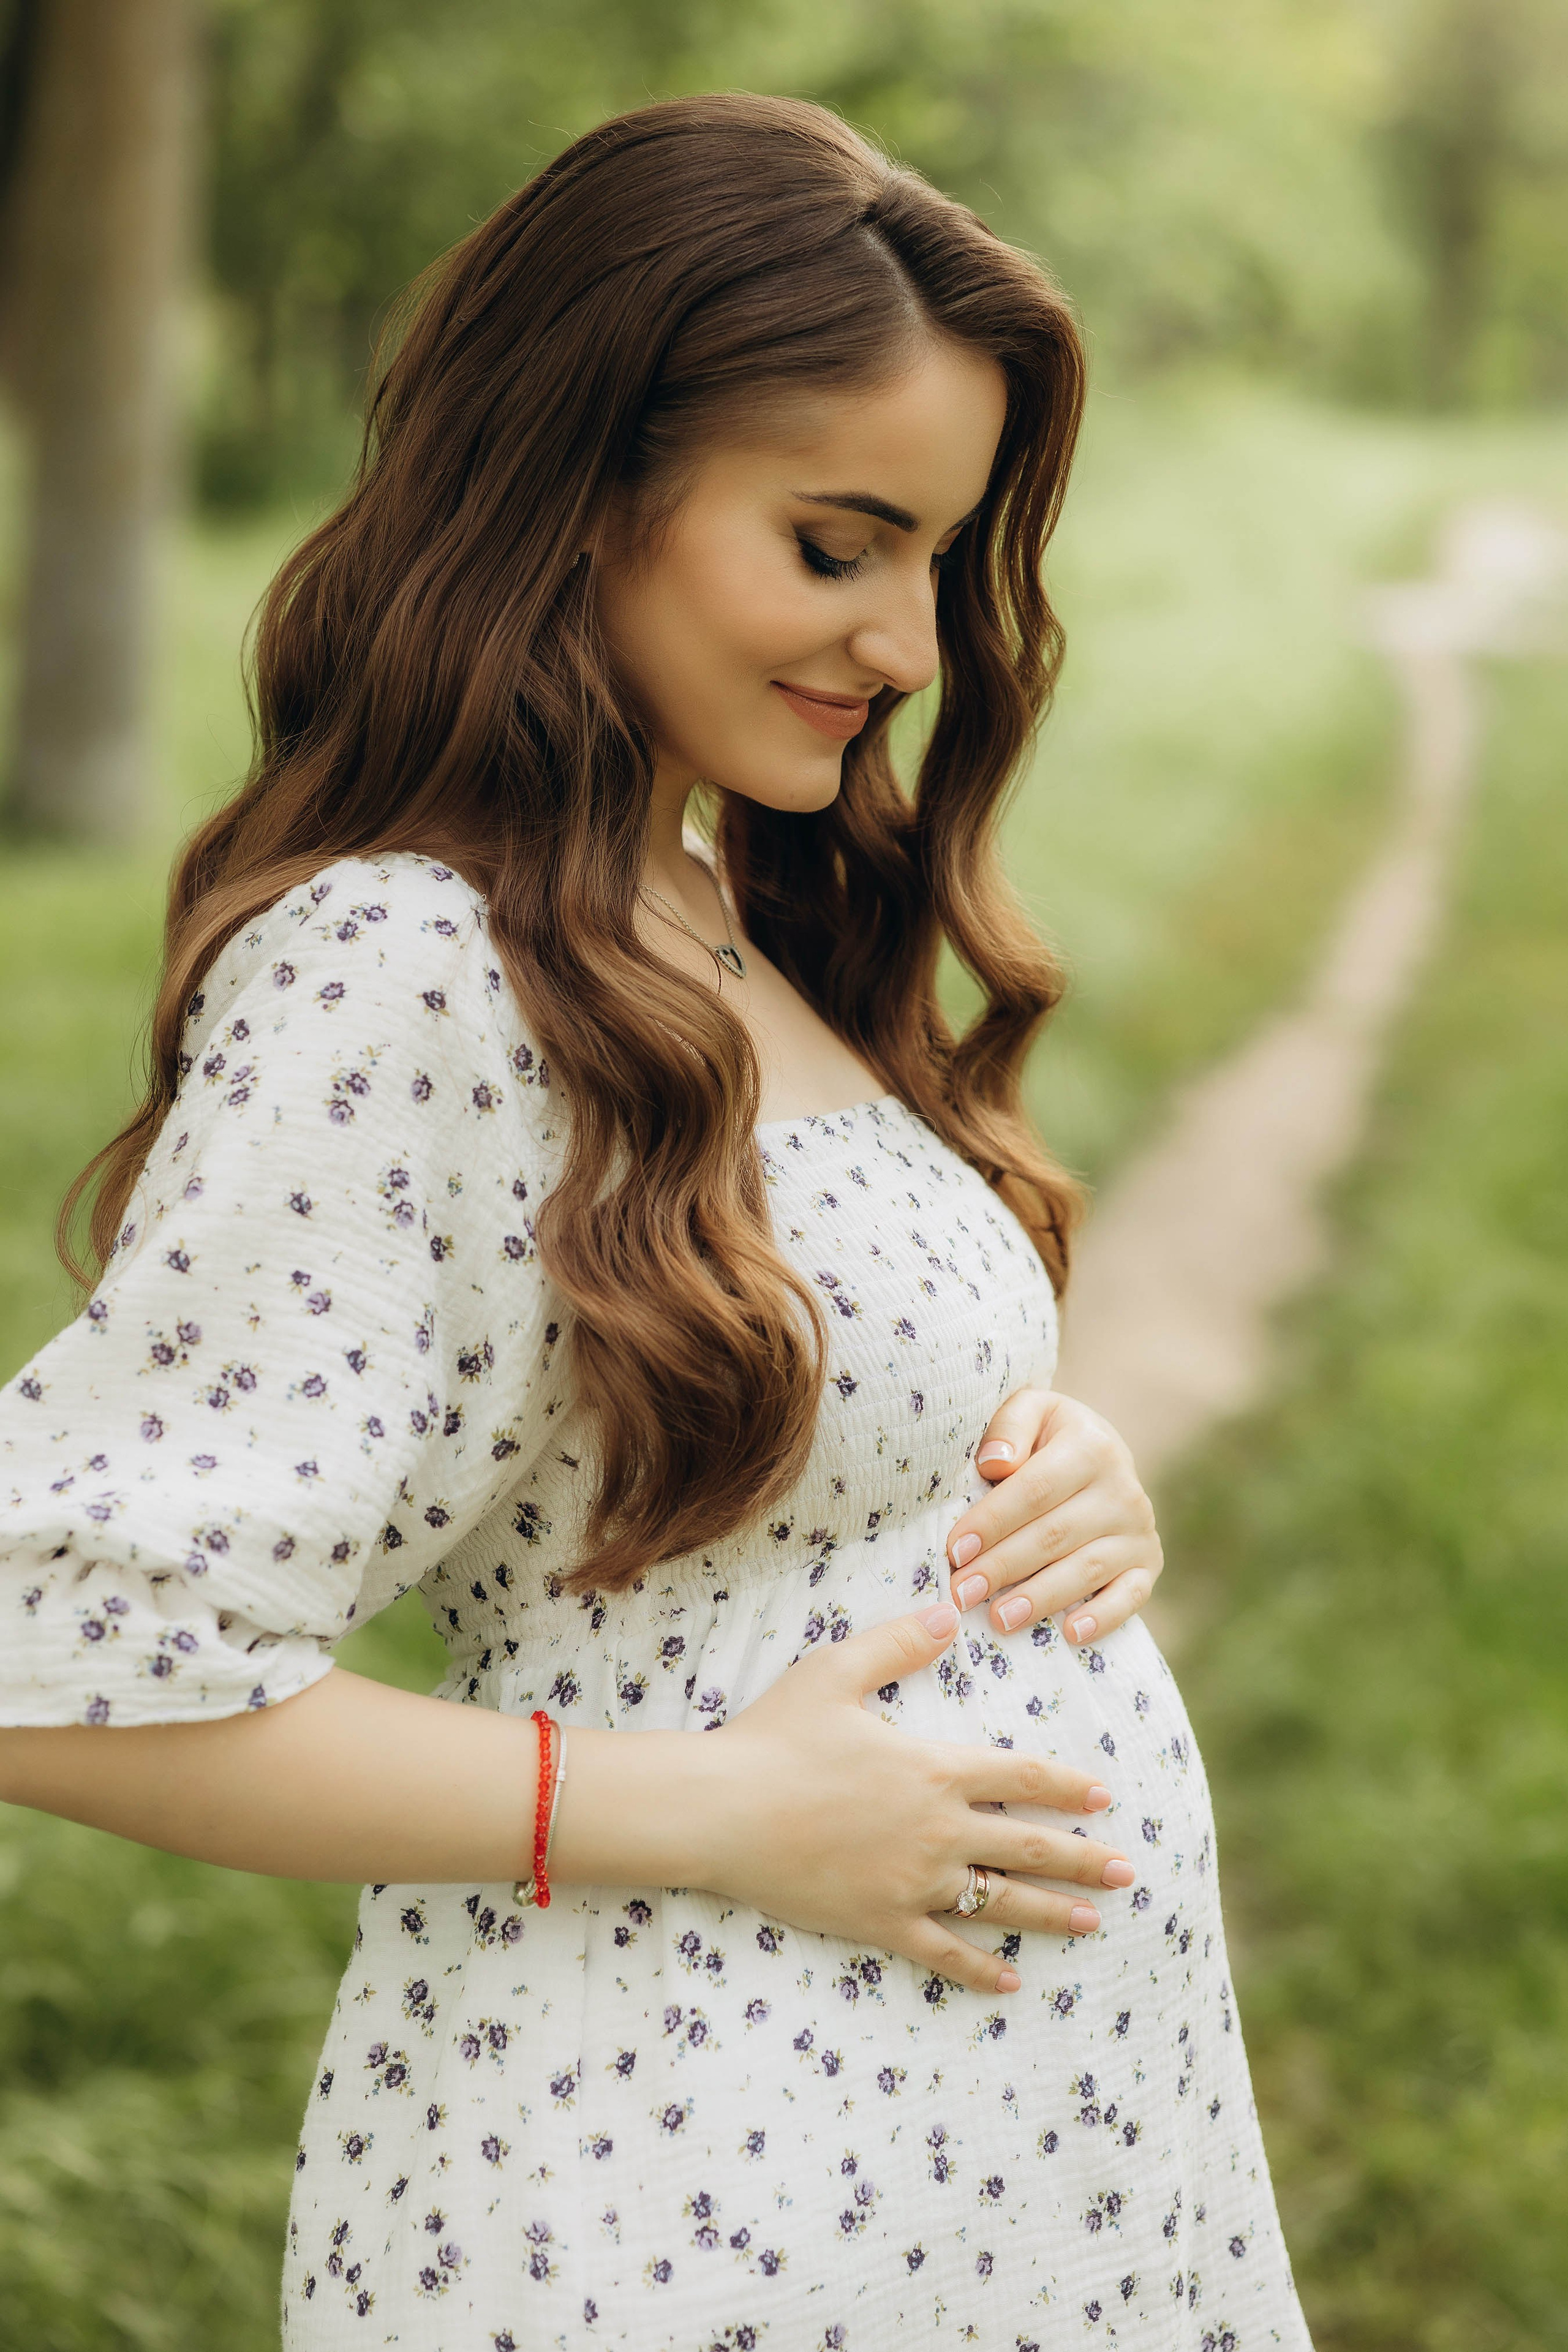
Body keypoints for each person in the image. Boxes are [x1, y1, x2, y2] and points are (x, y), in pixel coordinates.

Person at [0, 92, 1310, 2349]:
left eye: (937, 557)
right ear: (583, 486)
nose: (911, 642)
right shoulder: (406, 963)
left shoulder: (698, 899)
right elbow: (53, 1655)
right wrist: (719, 1815)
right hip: (683, 2198)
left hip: (996, 2183)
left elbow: (710, 1443)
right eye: (837, 544)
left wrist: (1024, 1469)